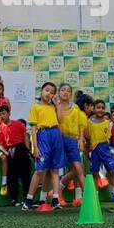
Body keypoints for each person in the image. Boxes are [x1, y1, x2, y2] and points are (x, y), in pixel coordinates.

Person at [26, 82, 65, 212]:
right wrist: (35, 147)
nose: (49, 93)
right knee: (39, 171)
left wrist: (57, 104)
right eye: (47, 90)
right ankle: (28, 201)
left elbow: (60, 120)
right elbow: (33, 129)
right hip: (43, 136)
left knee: (55, 169)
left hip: (55, 134)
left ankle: (55, 200)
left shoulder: (54, 107)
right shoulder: (35, 107)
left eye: (52, 92)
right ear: (41, 91)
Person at [85, 100, 114, 204]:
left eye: (102, 108)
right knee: (95, 173)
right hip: (94, 150)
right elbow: (87, 138)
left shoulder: (107, 122)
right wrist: (87, 151)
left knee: (113, 171)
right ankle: (95, 196)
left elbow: (108, 138)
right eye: (98, 107)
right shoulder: (89, 122)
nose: (100, 110)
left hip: (105, 149)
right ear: (93, 108)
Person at [57, 86, 89, 206]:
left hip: (72, 140)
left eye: (68, 91)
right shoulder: (55, 107)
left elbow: (81, 125)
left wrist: (80, 140)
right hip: (58, 140)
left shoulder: (75, 108)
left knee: (78, 168)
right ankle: (56, 195)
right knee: (56, 169)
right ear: (58, 93)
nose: (65, 92)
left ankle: (87, 197)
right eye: (63, 90)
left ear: (71, 95)